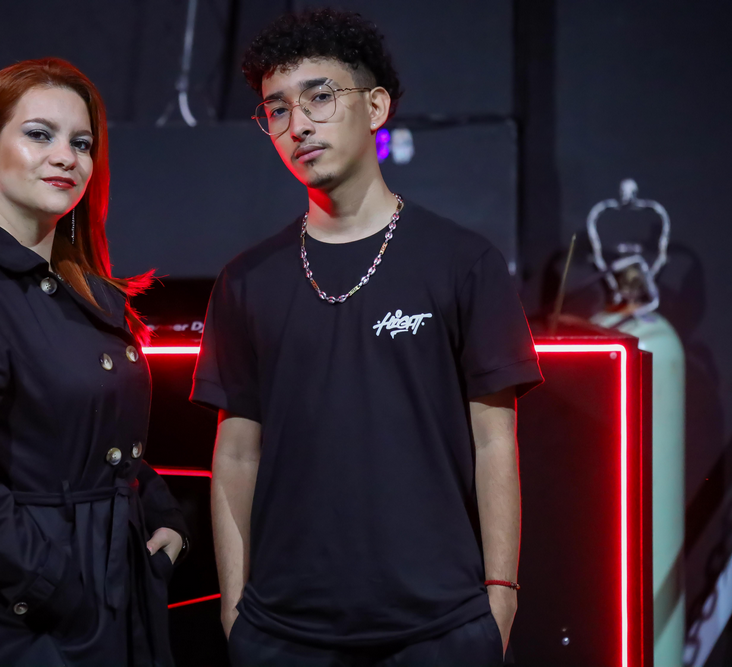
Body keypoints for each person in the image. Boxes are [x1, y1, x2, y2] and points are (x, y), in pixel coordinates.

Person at [190, 9, 543, 666]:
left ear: (375, 106)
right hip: (283, 633)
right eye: (277, 109)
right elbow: (236, 455)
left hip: (439, 629)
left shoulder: (462, 262)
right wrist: (234, 609)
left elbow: (494, 440)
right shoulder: (247, 280)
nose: (298, 125)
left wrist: (500, 597)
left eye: (319, 98)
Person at [0, 58, 187, 667]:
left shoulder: (86, 286)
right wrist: (52, 586)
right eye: (40, 134)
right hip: (31, 620)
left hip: (119, 587)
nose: (66, 157)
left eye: (81, 143)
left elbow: (102, 439)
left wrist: (162, 516)